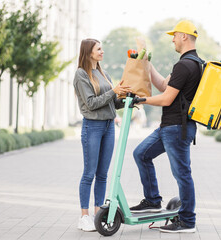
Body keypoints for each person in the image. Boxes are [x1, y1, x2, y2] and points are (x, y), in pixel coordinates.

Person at [129, 20, 201, 233]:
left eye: (175, 35)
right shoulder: (192, 63)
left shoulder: (185, 65)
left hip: (177, 128)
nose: (173, 39)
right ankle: (152, 201)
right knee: (141, 154)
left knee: (182, 174)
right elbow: (163, 85)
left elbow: (166, 98)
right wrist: (146, 60)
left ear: (184, 37)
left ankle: (187, 221)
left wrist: (140, 100)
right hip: (169, 127)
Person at [73, 38, 130, 232]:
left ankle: (98, 214)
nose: (102, 51)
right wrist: (113, 91)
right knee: (89, 173)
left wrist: (127, 99)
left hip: (108, 126)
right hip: (93, 127)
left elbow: (111, 103)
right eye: (98, 49)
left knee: (103, 174)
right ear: (89, 52)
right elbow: (91, 103)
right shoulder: (81, 74)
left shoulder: (103, 74)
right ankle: (84, 216)